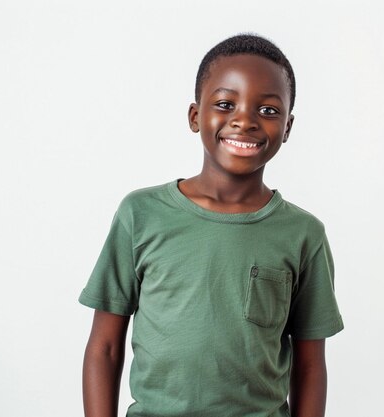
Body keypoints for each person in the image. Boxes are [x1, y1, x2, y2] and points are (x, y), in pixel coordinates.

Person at [79, 33, 344, 417]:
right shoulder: (141, 215)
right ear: (195, 116)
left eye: (268, 111)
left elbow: (309, 364)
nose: (245, 120)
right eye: (225, 103)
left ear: (287, 127)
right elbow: (104, 346)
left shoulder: (303, 235)